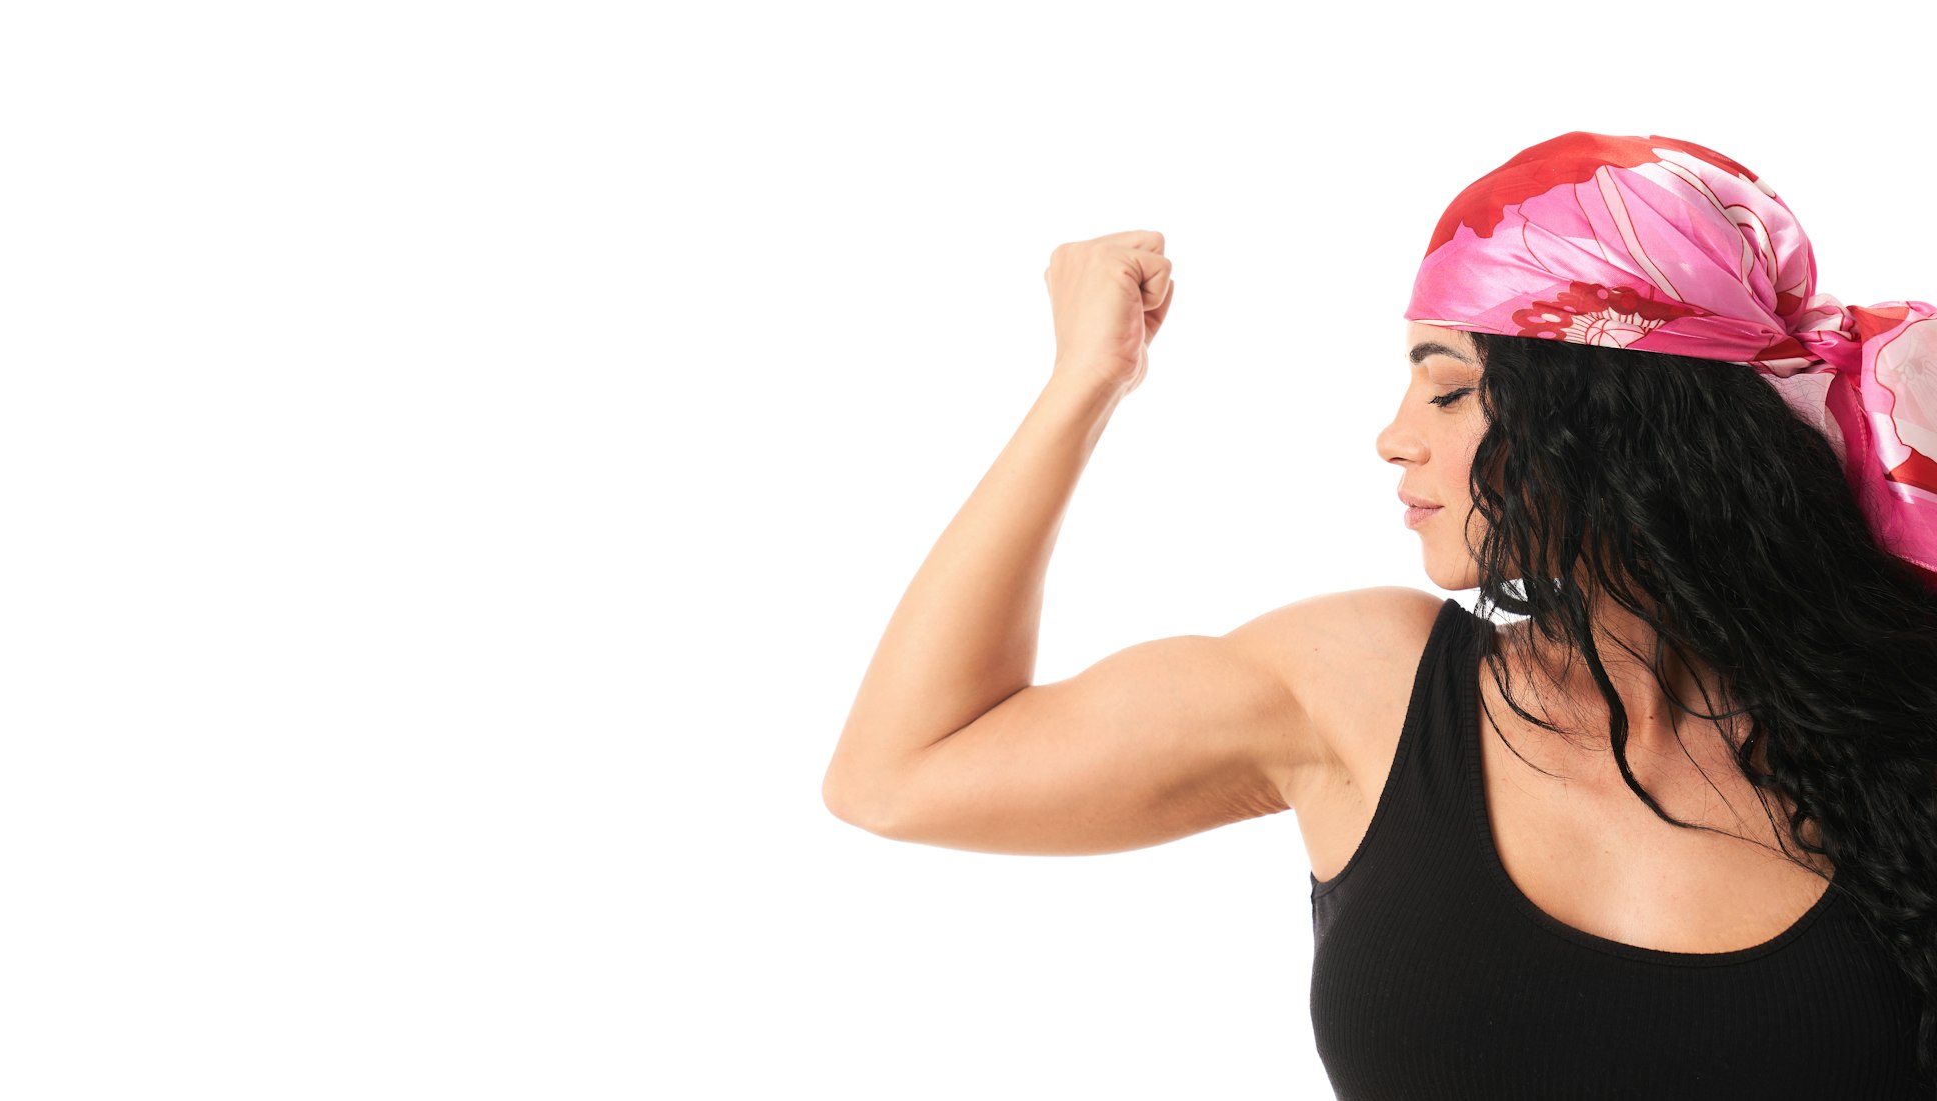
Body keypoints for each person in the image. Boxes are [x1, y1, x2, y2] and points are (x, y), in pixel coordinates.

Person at [821, 132, 1937, 1098]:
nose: (1392, 437)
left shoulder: (1899, 727)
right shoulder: (1365, 686)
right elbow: (901, 772)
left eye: (1447, 387)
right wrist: (1083, 384)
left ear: (1610, 418)